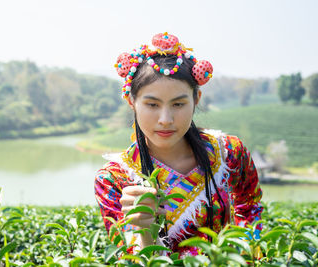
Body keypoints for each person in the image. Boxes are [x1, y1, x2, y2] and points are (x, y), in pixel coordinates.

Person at [94, 32, 263, 257]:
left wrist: (243, 256)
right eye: (152, 104)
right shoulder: (114, 179)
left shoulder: (229, 153)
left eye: (178, 104)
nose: (166, 119)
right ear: (131, 102)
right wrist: (145, 233)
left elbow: (250, 209)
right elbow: (128, 258)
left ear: (196, 99)